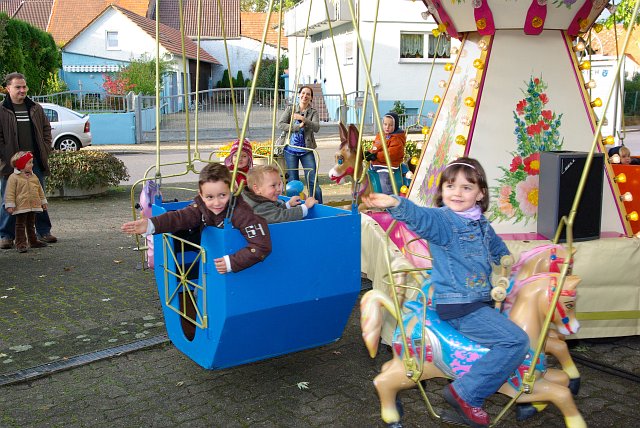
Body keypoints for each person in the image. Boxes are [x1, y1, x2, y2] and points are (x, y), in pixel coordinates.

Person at [362, 158, 529, 428]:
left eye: (466, 187)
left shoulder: (479, 221)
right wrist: (395, 203)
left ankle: (519, 391)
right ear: (442, 191)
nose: (457, 193)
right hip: (460, 305)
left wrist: (504, 256)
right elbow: (421, 217)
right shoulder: (444, 221)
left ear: (480, 194)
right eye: (450, 186)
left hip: (478, 299)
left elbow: (493, 242)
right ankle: (466, 394)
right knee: (516, 341)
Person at [121, 162, 271, 274]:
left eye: (222, 195)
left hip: (230, 269)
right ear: (201, 195)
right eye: (210, 197)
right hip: (212, 265)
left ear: (231, 191)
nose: (216, 203)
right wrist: (150, 224)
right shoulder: (201, 207)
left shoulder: (241, 213)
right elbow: (179, 217)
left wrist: (231, 262)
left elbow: (262, 246)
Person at [1, 72, 57, 249]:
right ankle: (6, 235)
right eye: (18, 87)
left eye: (24, 86)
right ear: (8, 88)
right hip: (10, 165)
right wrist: (5, 158)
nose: (22, 90)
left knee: (38, 197)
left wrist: (45, 148)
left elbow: (46, 129)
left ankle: (43, 232)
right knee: (9, 199)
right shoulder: (2, 110)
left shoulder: (35, 108)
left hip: (34, 163)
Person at [278, 85, 322, 203]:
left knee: (313, 181)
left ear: (311, 98)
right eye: (303, 93)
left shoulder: (313, 112)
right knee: (293, 181)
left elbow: (316, 127)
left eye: (308, 94)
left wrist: (304, 119)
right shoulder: (290, 109)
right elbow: (280, 124)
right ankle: (296, 207)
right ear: (299, 95)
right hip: (290, 150)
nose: (305, 96)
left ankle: (319, 206)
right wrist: (297, 127)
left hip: (306, 150)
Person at [4, 151, 48, 253]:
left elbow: (40, 190)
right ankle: (20, 243)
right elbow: (10, 193)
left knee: (31, 224)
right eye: (29, 162)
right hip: (21, 206)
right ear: (21, 164)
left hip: (33, 205)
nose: (32, 164)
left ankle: (33, 241)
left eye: (32, 162)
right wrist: (10, 205)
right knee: (20, 225)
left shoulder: (34, 176)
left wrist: (43, 202)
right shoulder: (14, 177)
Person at [242, 164, 317, 223]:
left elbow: (273, 211)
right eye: (273, 185)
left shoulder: (257, 199)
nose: (278, 189)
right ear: (257, 189)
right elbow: (281, 217)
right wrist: (305, 207)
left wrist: (288, 205)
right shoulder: (259, 207)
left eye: (279, 184)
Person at [365, 112, 406, 195]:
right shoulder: (380, 135)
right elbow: (376, 147)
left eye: (390, 125)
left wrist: (377, 156)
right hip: (377, 163)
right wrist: (369, 152)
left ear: (395, 126)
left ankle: (389, 197)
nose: (387, 127)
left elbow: (391, 154)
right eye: (385, 124)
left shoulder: (396, 139)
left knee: (384, 180)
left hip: (388, 165)